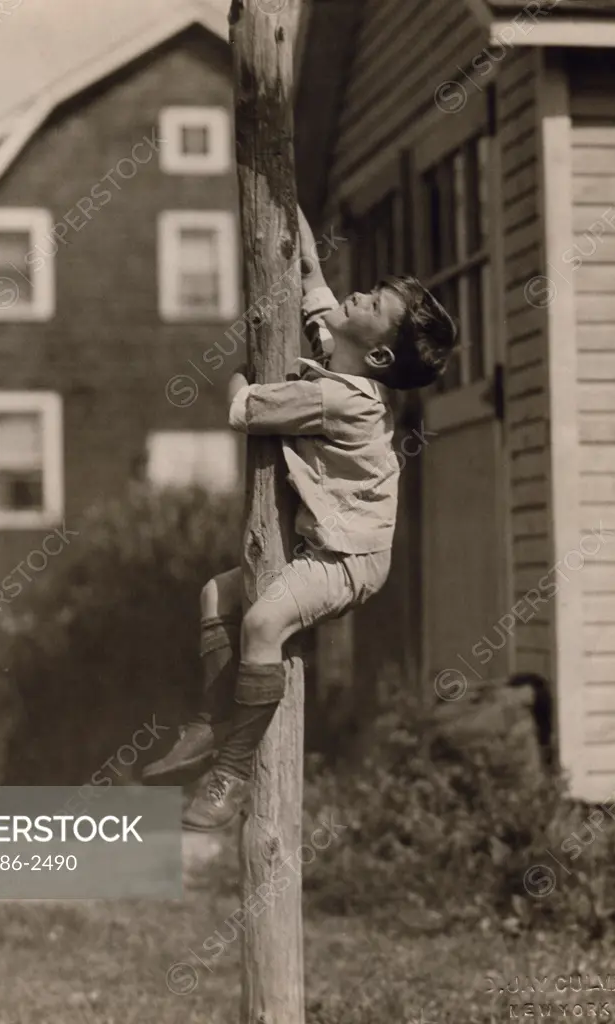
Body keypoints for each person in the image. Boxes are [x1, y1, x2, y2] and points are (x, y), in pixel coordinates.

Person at [143, 207, 458, 832]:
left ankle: (228, 775)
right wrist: (281, 198)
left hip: (351, 559)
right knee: (217, 593)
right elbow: (309, 268)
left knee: (261, 622)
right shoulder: (339, 355)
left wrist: (243, 360)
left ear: (378, 354)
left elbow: (241, 407)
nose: (357, 294)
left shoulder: (340, 397)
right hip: (323, 544)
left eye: (371, 304)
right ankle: (211, 721)